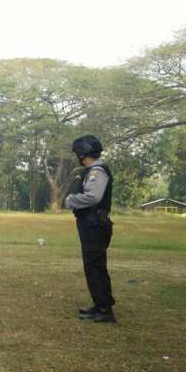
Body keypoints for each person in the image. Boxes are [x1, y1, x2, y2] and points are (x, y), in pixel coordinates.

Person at [64, 135, 116, 323]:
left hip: (95, 225)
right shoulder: (92, 171)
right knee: (93, 265)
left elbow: (93, 197)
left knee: (95, 266)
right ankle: (100, 305)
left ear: (82, 153)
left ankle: (104, 309)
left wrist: (71, 200)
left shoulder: (97, 171)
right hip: (91, 223)